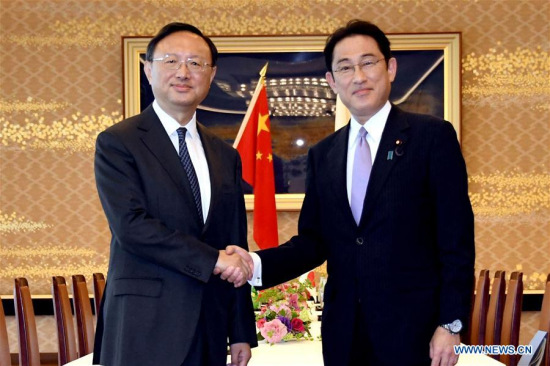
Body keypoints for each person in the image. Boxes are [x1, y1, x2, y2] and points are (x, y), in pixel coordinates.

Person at [224, 19, 475, 366]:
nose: (358, 76)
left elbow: (456, 239)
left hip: (415, 332)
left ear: (390, 68)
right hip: (344, 334)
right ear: (331, 81)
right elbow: (313, 242)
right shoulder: (324, 154)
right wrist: (255, 263)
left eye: (368, 62)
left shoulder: (431, 137)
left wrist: (451, 323)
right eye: (345, 67)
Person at [93, 22, 256, 366]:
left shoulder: (225, 154)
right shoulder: (119, 142)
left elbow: (234, 242)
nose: (184, 72)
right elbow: (132, 226)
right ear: (148, 69)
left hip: (209, 326)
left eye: (196, 64)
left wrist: (240, 329)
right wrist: (213, 260)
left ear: (211, 76)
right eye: (171, 61)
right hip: (143, 326)